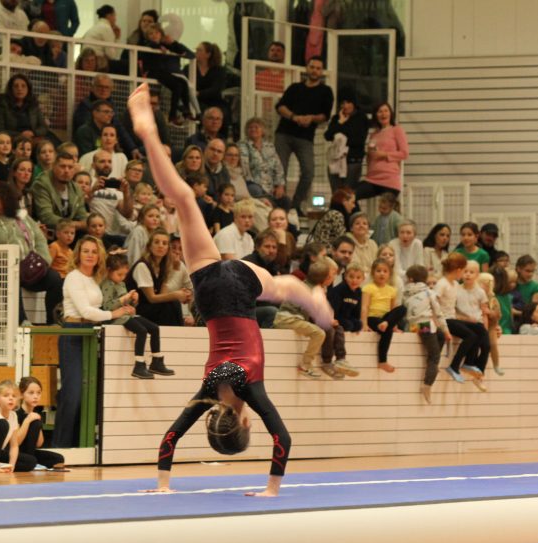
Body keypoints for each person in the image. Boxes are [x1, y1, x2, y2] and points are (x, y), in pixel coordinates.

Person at [128, 83, 332, 497]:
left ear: (244, 423)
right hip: (207, 291)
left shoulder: (251, 388)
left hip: (240, 289)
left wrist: (271, 490)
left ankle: (318, 305)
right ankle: (148, 133)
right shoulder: (206, 392)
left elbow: (283, 440)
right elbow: (170, 438)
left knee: (288, 286)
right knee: (184, 199)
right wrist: (162, 485)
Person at [53, 235, 135, 446]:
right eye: (85, 251)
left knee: (89, 395)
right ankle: (61, 447)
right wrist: (114, 314)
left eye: (94, 251)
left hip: (91, 333)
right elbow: (86, 310)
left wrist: (124, 304)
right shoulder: (73, 277)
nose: (90, 255)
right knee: (72, 394)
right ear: (78, 254)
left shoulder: (96, 280)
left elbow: (101, 307)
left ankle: (83, 446)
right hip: (73, 333)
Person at [0, 181, 62, 324]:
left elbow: (40, 239)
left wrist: (43, 261)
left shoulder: (22, 217)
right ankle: (22, 320)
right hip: (1, 271)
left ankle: (52, 322)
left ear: (7, 199)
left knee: (55, 278)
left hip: (29, 268)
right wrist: (2, 261)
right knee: (11, 275)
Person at [102, 252, 174, 378]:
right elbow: (107, 307)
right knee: (142, 331)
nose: (122, 278)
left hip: (127, 315)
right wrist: (124, 299)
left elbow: (129, 306)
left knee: (154, 328)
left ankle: (156, 361)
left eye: (124, 274)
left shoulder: (121, 284)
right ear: (108, 271)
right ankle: (139, 364)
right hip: (117, 317)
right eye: (119, 274)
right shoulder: (107, 284)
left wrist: (134, 300)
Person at [274, 57, 333, 210]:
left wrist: (311, 118)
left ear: (322, 71)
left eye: (318, 68)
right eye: (312, 67)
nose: (315, 70)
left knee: (308, 172)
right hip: (284, 134)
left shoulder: (326, 91)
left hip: (306, 137)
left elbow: (325, 115)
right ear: (307, 68)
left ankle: (295, 204)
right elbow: (280, 107)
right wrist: (295, 117)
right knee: (280, 171)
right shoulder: (294, 88)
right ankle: (280, 203)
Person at [435, 253, 488, 385]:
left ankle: (469, 363)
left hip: (452, 318)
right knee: (470, 336)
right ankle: (454, 366)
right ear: (458, 270)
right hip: (445, 320)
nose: (465, 274)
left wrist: (468, 318)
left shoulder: (454, 284)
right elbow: (433, 302)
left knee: (479, 330)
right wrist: (437, 321)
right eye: (464, 271)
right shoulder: (442, 283)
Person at [404, 264, 451, 404]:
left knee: (440, 337)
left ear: (410, 279)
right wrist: (447, 330)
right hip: (425, 325)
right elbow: (439, 313)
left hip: (412, 326)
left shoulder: (406, 293)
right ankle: (427, 384)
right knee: (434, 355)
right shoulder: (429, 292)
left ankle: (433, 369)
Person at [129, 228, 190, 327]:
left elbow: (162, 295)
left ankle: (175, 336)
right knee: (172, 303)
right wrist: (176, 295)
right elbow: (152, 298)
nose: (160, 246)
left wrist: (173, 270)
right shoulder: (142, 266)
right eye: (156, 242)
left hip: (152, 309)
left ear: (168, 249)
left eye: (164, 243)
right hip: (137, 309)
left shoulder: (163, 266)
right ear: (149, 246)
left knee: (172, 303)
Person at [360, 258, 407, 373]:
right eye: (378, 271)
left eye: (385, 271)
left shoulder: (392, 290)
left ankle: (386, 324)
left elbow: (393, 310)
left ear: (389, 274)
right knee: (387, 330)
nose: (382, 273)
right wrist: (364, 324)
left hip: (385, 319)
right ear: (372, 273)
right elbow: (364, 307)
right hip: (373, 318)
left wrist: (393, 324)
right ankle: (382, 361)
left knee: (402, 308)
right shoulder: (368, 288)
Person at [354, 102, 408, 201]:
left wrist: (384, 154)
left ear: (390, 113)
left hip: (389, 179)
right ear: (375, 115)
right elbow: (370, 156)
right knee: (348, 196)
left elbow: (404, 153)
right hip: (372, 179)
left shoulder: (397, 130)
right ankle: (358, 217)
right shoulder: (373, 134)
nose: (383, 114)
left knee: (385, 208)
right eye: (380, 112)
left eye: (386, 111)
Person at [15, 376, 67, 470]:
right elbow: (16, 442)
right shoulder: (16, 414)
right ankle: (31, 463)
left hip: (30, 453)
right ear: (22, 394)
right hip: (16, 453)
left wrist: (37, 422)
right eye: (31, 393)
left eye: (38, 393)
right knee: (31, 461)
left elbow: (39, 444)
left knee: (59, 458)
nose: (35, 396)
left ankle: (32, 463)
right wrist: (27, 421)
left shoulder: (35, 415)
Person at [31, 150, 87, 233]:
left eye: (70, 167)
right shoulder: (42, 184)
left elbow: (83, 217)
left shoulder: (76, 188)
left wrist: (81, 223)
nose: (66, 171)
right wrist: (73, 224)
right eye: (62, 166)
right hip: (48, 232)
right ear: (53, 166)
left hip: (69, 233)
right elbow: (47, 217)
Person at [324, 90, 369, 192]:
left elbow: (358, 140)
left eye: (348, 102)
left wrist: (342, 132)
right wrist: (340, 122)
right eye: (342, 103)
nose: (345, 106)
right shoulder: (336, 118)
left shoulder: (361, 118)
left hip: (352, 161)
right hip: (335, 161)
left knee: (347, 194)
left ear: (353, 103)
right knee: (336, 194)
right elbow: (327, 135)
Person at [325, 263, 364, 377]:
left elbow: (357, 311)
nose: (354, 280)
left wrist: (358, 323)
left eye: (358, 278)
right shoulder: (339, 290)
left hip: (347, 318)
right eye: (351, 277)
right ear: (345, 276)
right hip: (336, 316)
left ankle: (341, 361)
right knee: (348, 325)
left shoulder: (359, 293)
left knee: (357, 325)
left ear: (363, 279)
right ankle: (340, 359)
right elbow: (333, 309)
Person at [0, 73, 50, 140]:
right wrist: (20, 135)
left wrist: (33, 133)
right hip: (11, 139)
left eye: (23, 86)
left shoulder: (33, 105)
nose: (19, 89)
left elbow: (43, 127)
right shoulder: (2, 104)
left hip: (32, 138)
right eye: (16, 86)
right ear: (11, 89)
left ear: (28, 89)